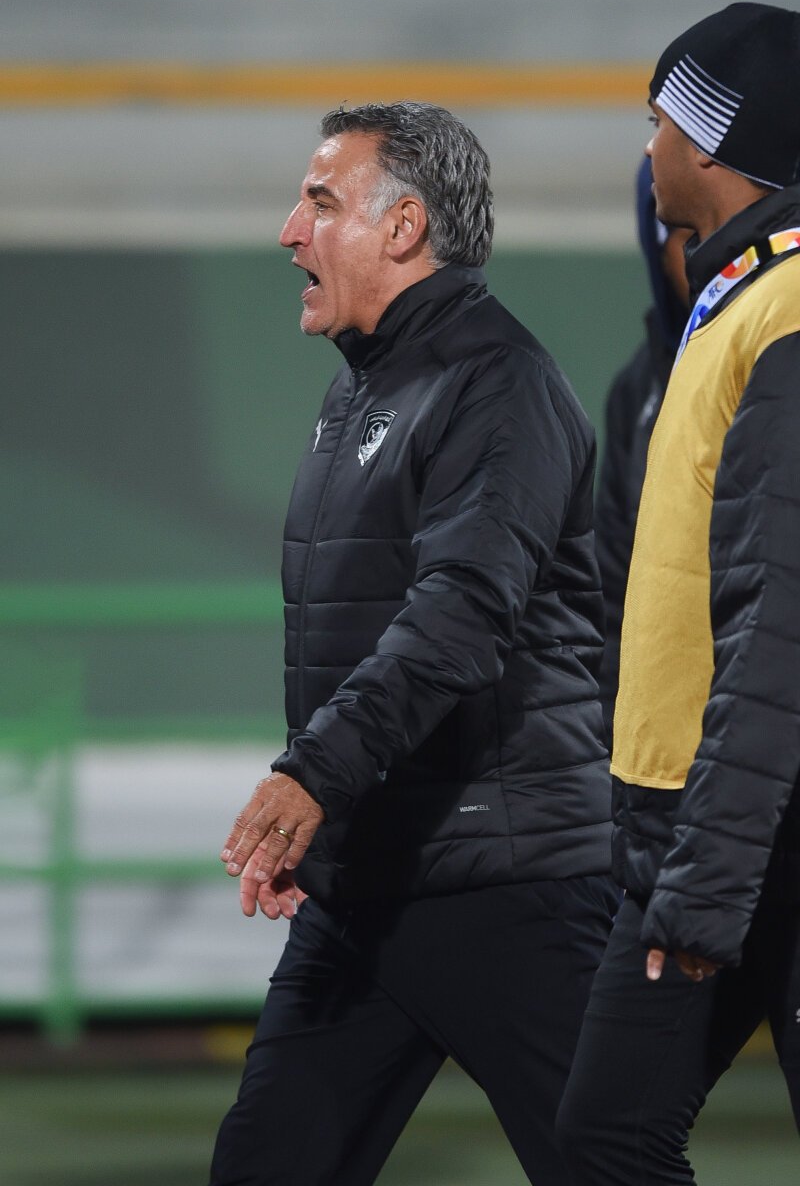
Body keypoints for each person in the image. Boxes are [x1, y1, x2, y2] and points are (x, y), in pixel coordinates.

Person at [209, 101, 616, 1186]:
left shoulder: (498, 383)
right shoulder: (364, 386)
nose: (289, 231)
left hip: (503, 879)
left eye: (318, 202)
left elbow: (459, 616)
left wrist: (312, 774)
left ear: (402, 228)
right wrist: (326, 823)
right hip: (367, 885)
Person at [557, 2, 800, 1184]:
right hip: (716, 820)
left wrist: (704, 877)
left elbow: (779, 620)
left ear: (711, 140)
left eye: (659, 119)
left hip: (749, 828)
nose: (648, 146)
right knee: (604, 1138)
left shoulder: (785, 311)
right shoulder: (742, 300)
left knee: (606, 1139)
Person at [594, 156, 690, 742]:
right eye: (684, 236)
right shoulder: (637, 392)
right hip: (662, 748)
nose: (706, 252)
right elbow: (613, 596)